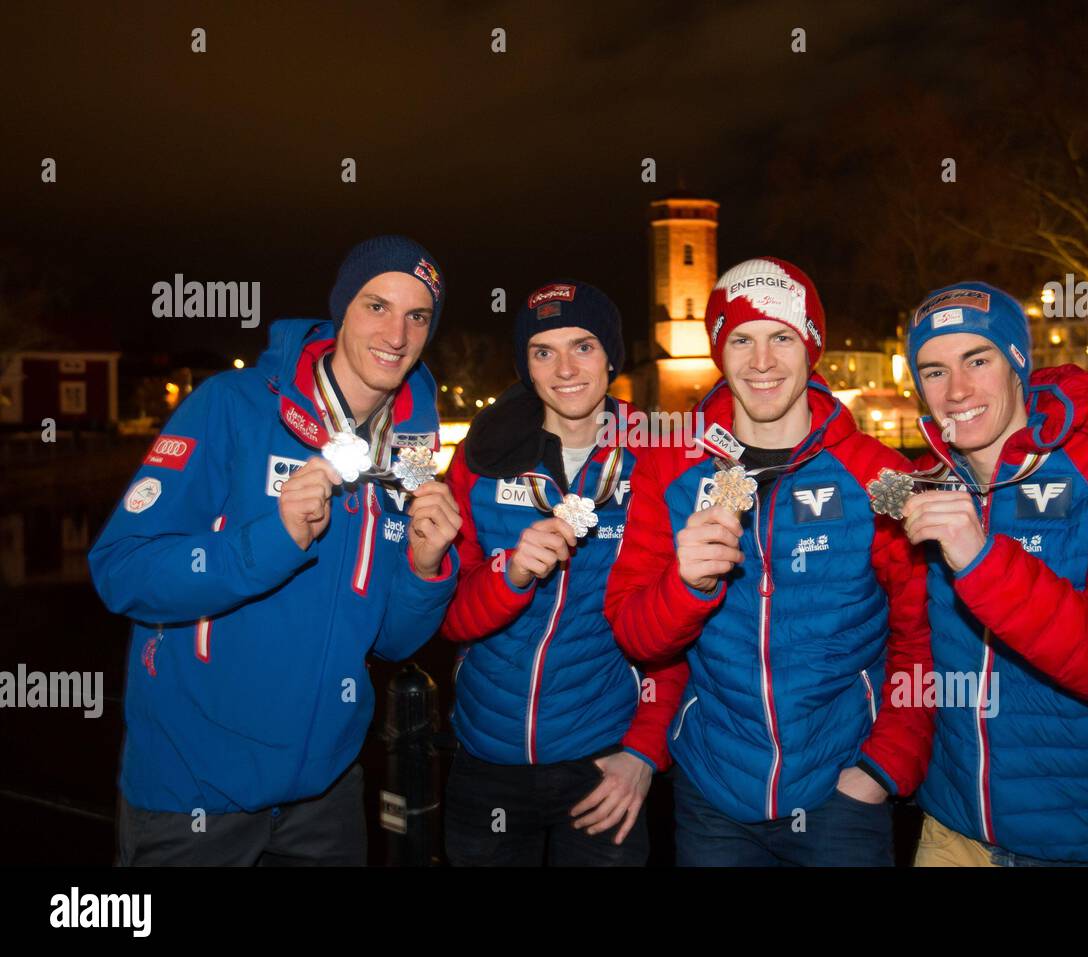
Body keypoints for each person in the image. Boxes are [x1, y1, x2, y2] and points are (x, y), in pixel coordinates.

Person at [90, 235, 461, 865]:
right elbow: (121, 571)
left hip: (327, 798)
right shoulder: (231, 409)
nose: (396, 334)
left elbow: (392, 643)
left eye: (417, 315)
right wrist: (272, 540)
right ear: (342, 310)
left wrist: (426, 571)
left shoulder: (412, 455)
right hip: (195, 796)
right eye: (376, 306)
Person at [605, 257, 933, 866]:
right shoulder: (671, 466)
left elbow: (921, 639)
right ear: (717, 352)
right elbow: (636, 634)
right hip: (713, 797)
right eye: (741, 340)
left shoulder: (880, 473)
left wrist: (883, 769)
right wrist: (686, 586)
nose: (761, 362)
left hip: (843, 792)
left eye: (782, 337)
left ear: (812, 349)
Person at [902, 281, 1088, 866]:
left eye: (976, 360)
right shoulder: (922, 484)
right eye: (933, 371)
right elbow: (888, 638)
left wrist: (982, 561)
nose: (957, 391)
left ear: (1017, 363)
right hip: (953, 828)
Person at [438, 280, 686, 866]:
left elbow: (677, 625)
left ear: (612, 357)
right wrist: (512, 575)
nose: (565, 368)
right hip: (484, 759)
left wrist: (644, 753)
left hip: (603, 762)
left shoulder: (659, 459)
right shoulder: (482, 457)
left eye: (584, 346)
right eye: (543, 351)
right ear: (526, 366)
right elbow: (448, 616)